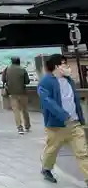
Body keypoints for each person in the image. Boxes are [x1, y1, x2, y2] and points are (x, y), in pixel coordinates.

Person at [38, 54, 88, 184]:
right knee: (52, 150)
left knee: (82, 152)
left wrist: (80, 119)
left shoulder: (68, 80)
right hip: (56, 126)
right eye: (64, 64)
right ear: (56, 66)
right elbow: (48, 102)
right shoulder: (45, 82)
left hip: (75, 123)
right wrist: (64, 116)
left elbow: (74, 100)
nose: (67, 66)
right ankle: (46, 168)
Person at [3, 57, 31, 134]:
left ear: (12, 62)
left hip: (12, 93)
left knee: (16, 111)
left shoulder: (7, 69)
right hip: (23, 93)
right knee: (25, 110)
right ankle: (27, 126)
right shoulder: (23, 69)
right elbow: (27, 81)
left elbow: (3, 80)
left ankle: (19, 127)